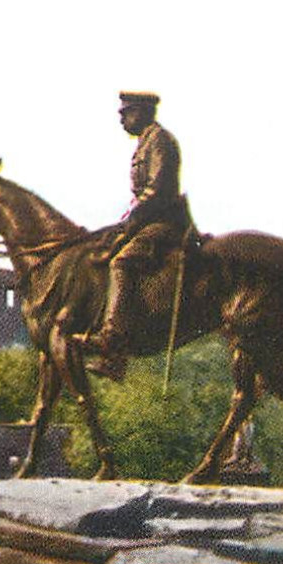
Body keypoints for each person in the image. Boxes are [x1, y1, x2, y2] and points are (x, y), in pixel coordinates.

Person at [73, 91, 193, 381]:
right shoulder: (145, 143)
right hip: (146, 220)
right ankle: (115, 357)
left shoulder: (160, 140)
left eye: (126, 112)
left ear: (143, 112)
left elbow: (157, 190)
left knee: (121, 262)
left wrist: (131, 219)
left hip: (164, 223)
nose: (122, 118)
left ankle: (112, 338)